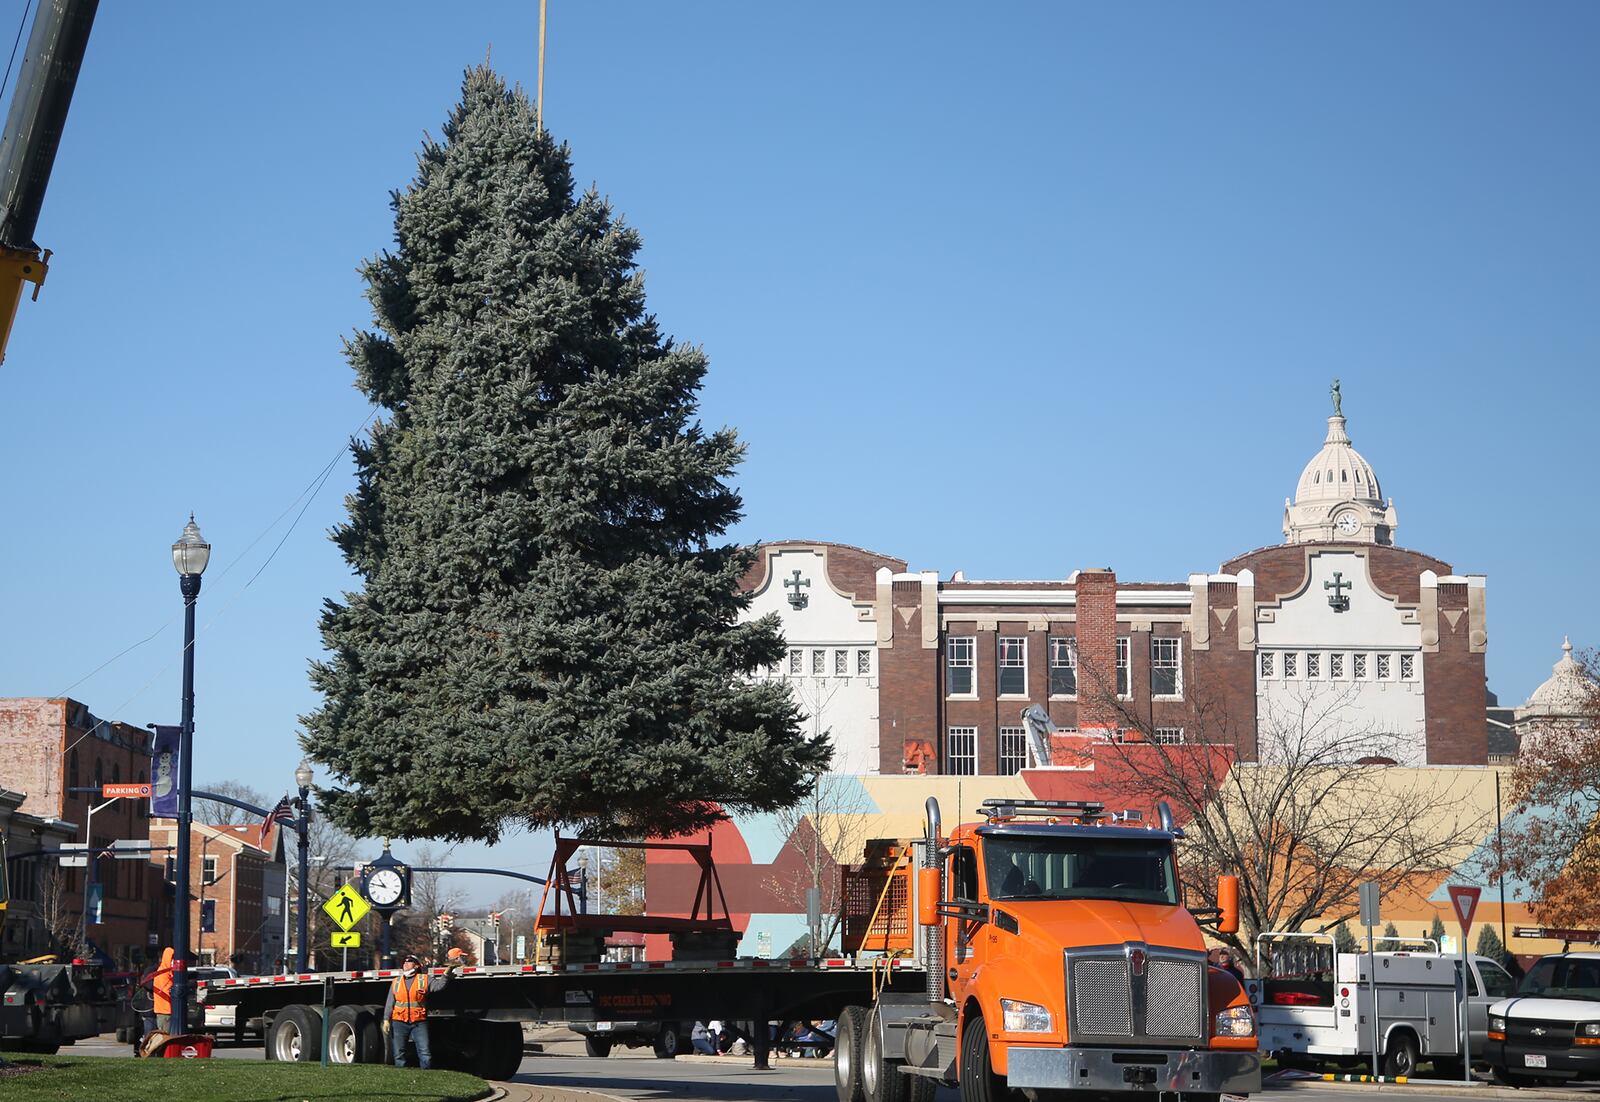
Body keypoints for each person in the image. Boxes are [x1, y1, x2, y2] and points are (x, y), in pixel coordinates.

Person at [384, 949, 460, 1068]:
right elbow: (390, 1002)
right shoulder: (396, 982)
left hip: (419, 1022)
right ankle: (400, 1076)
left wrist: (446, 975)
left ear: (416, 965)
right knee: (399, 1053)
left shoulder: (424, 979)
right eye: (405, 961)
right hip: (399, 1022)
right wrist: (386, 1019)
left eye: (410, 961)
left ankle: (426, 1076)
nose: (406, 963)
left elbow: (438, 986)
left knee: (424, 1052)